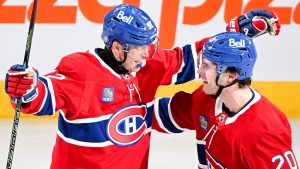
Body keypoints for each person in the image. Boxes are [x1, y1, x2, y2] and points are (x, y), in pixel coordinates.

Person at [5, 3, 281, 169]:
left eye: (151, 46)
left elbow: (190, 59)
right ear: (117, 48)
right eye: (141, 49)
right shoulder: (81, 71)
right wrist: (26, 87)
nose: (149, 55)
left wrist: (234, 37)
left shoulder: (144, 64)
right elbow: (45, 95)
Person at [154, 32, 299, 168]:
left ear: (231, 75)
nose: (199, 71)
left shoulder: (265, 132)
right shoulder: (205, 99)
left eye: (207, 66)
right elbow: (165, 114)